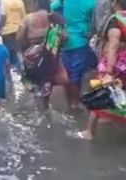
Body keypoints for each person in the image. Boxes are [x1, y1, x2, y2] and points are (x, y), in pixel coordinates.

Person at [78, 0, 126, 140]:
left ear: (114, 3)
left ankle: (89, 133)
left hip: (118, 64)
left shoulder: (116, 20)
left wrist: (109, 72)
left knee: (102, 94)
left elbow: (113, 46)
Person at [51, 0, 97, 109]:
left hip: (63, 42)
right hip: (80, 42)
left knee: (69, 72)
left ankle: (71, 102)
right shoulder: (90, 3)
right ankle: (75, 104)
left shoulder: (60, 3)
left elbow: (51, 9)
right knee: (77, 74)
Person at [0, 0, 26, 70]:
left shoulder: (4, 2)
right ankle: (18, 70)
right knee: (16, 51)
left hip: (7, 30)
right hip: (18, 30)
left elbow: (3, 17)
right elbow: (24, 17)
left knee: (7, 52)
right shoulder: (20, 2)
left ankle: (8, 71)